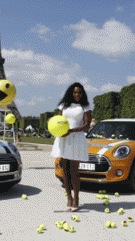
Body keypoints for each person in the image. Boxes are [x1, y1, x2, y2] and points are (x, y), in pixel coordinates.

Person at [51, 82, 92, 212]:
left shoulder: (85, 106)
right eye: (74, 92)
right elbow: (58, 121)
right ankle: (69, 198)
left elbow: (87, 125)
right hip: (63, 138)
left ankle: (76, 198)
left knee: (74, 172)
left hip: (75, 138)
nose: (77, 94)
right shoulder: (63, 105)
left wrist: (72, 130)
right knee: (65, 171)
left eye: (79, 92)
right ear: (70, 92)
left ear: (82, 93)